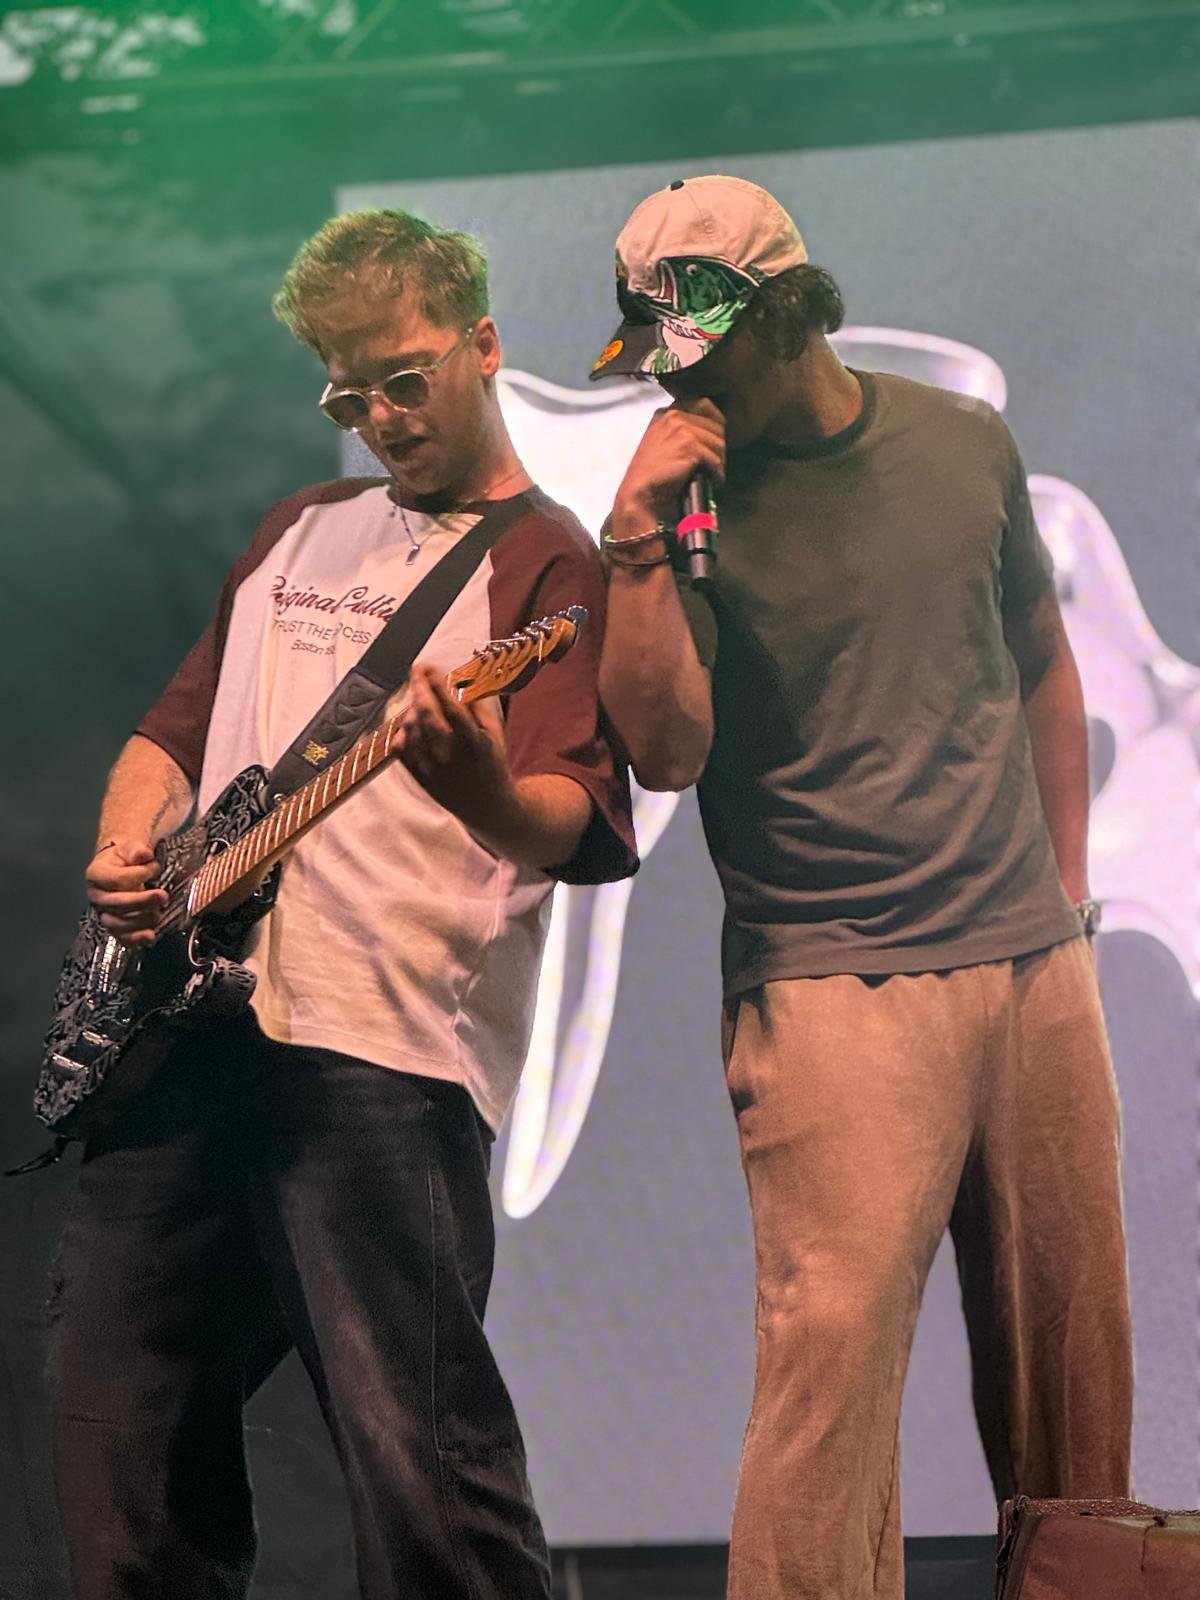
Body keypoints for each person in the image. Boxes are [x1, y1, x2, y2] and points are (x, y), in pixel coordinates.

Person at [47, 208, 637, 1600]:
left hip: (381, 1054)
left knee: (425, 1475)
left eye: (404, 379)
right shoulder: (300, 527)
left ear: (483, 344)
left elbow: (574, 819)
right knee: (115, 1431)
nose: (377, 418)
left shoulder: (546, 564)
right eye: (345, 394)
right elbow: (171, 737)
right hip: (192, 1034)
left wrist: (477, 786)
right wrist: (130, 845)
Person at [592, 174, 1131, 1600]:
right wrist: (638, 537)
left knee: (1077, 1392)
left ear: (789, 317)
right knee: (826, 1386)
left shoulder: (962, 442)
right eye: (658, 355)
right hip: (832, 986)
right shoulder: (681, 513)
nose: (678, 384)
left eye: (701, 352)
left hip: (1032, 968)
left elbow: (1040, 658)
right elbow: (663, 751)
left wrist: (1069, 903)